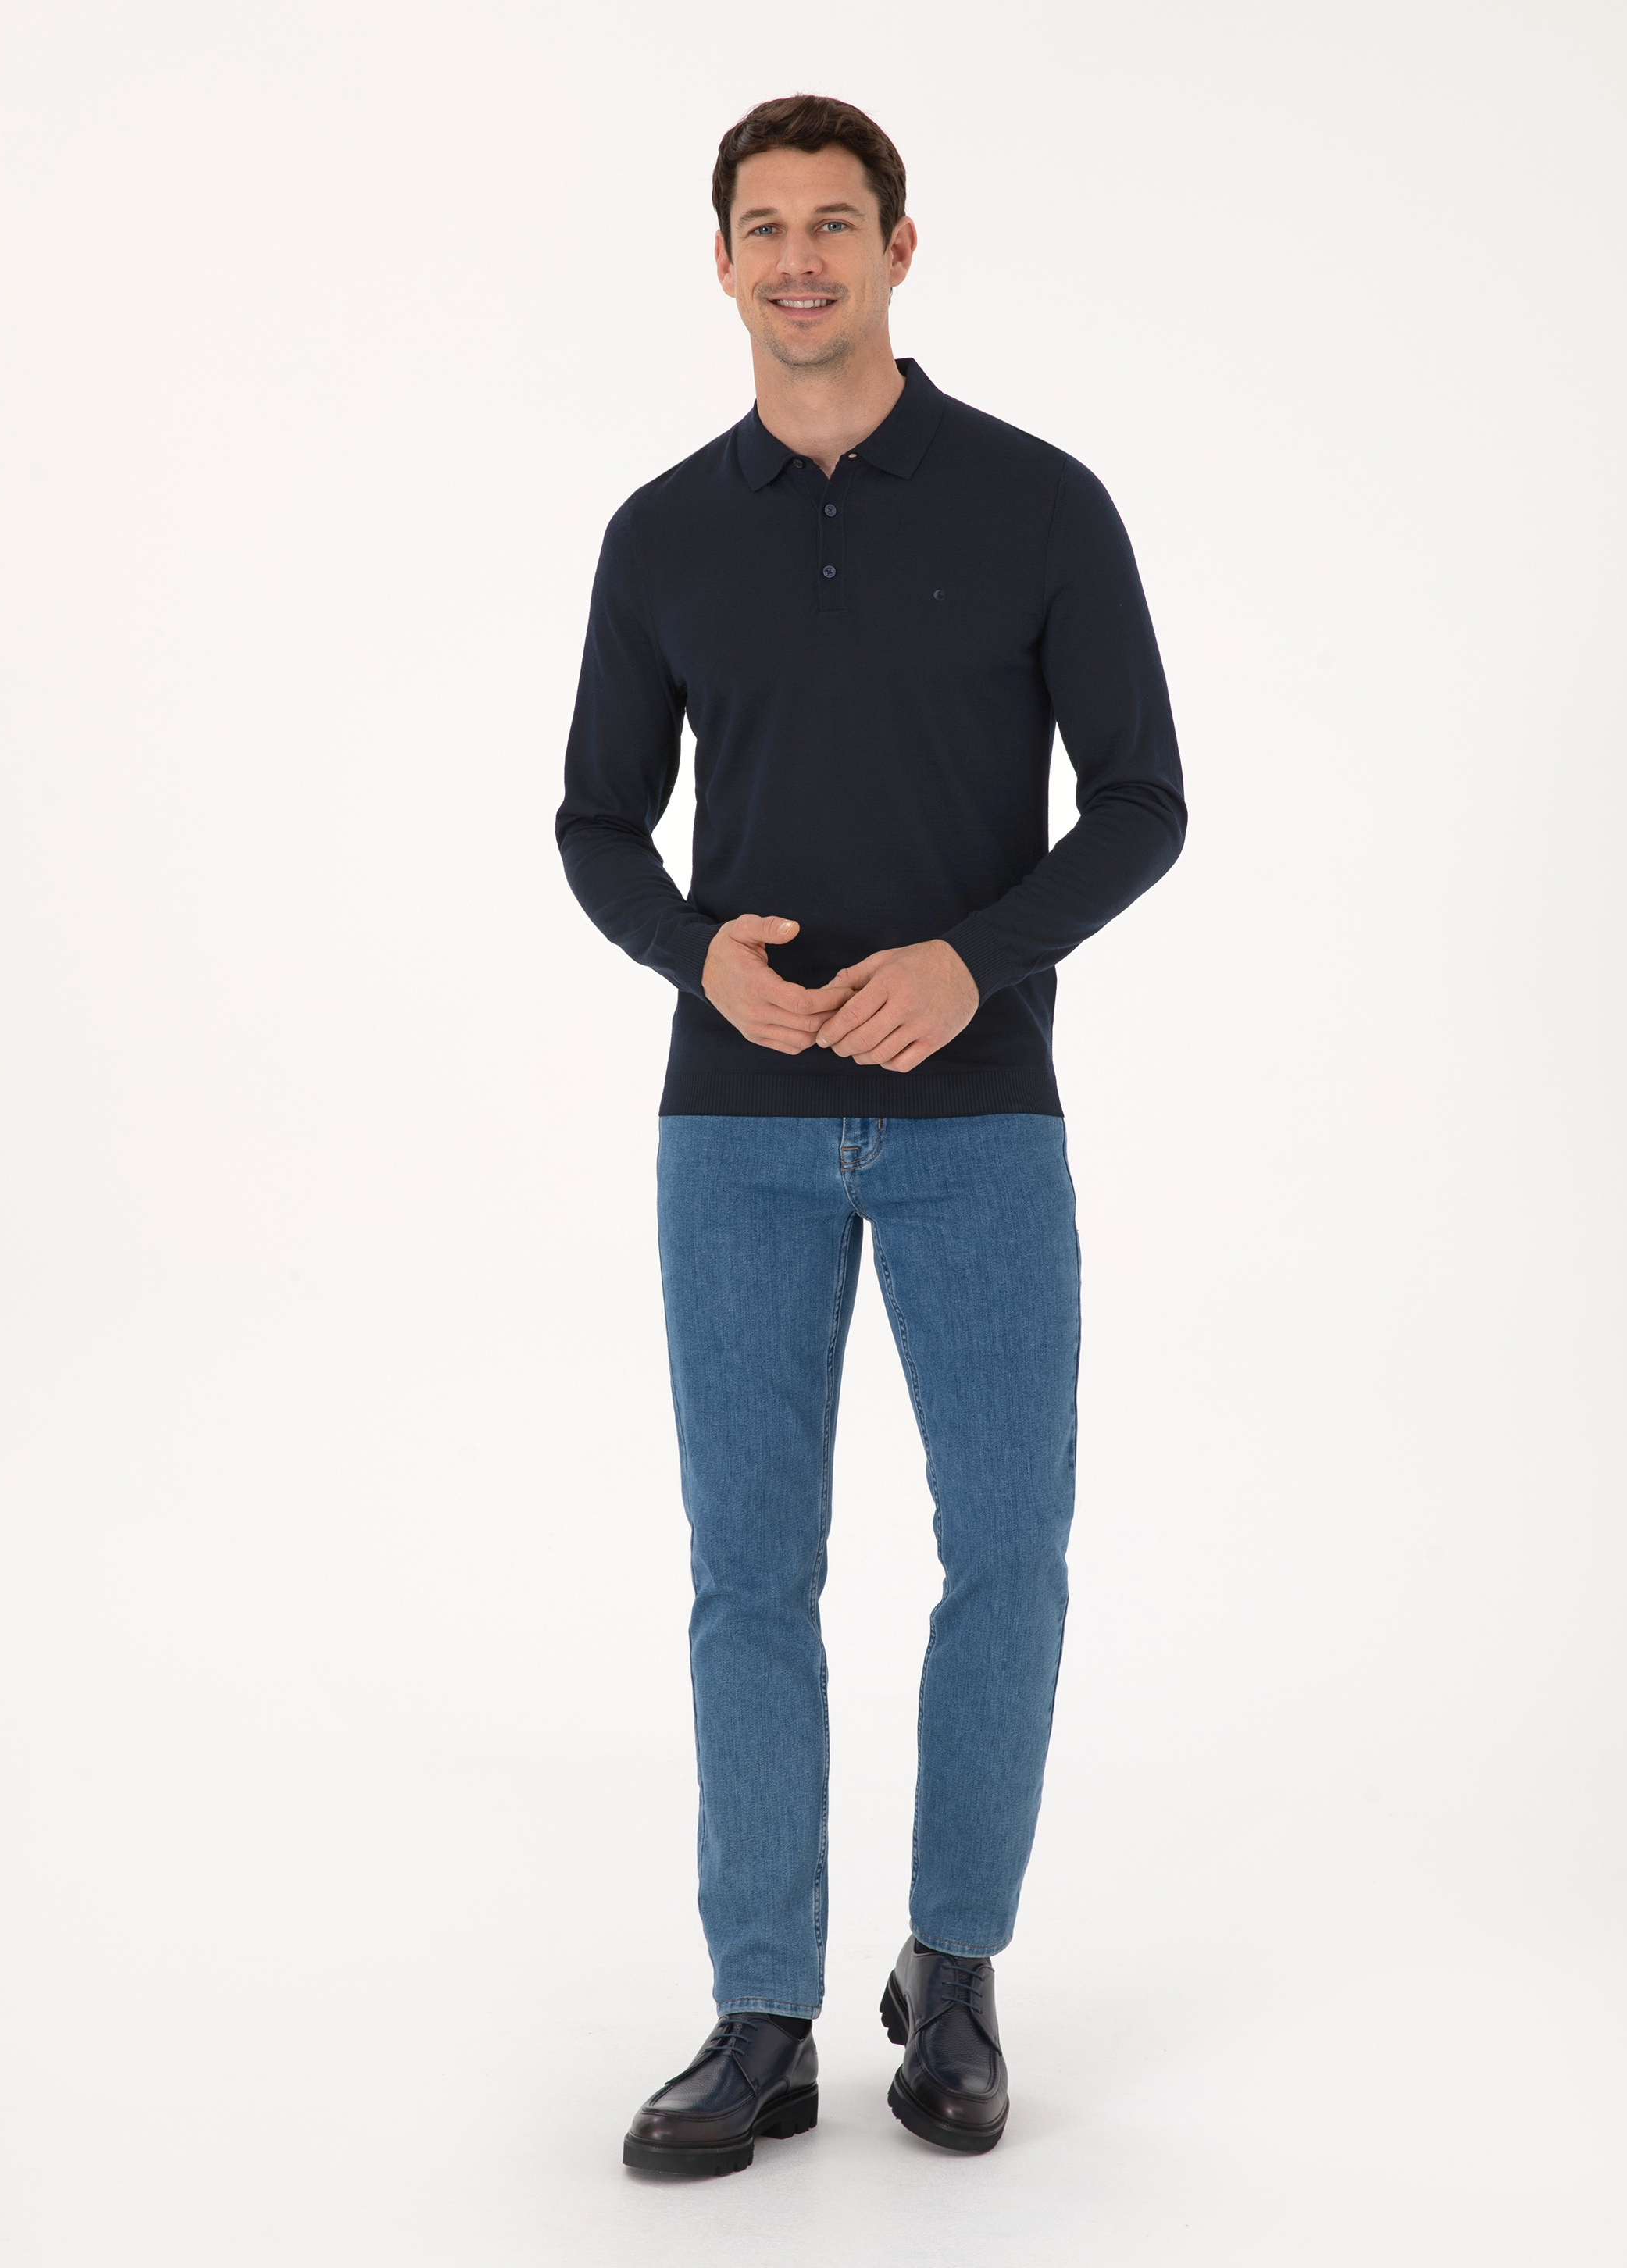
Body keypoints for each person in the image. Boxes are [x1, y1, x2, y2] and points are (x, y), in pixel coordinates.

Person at [556, 92, 1186, 2176]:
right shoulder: (661, 533)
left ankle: (957, 1970)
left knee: (1005, 1557)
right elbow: (595, 821)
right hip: (733, 1130)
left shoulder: (1038, 504)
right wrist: (696, 961)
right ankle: (762, 2016)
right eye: (766, 227)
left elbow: (1140, 802)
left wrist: (969, 962)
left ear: (901, 250)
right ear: (721, 263)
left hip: (976, 1121)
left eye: (837, 223)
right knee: (749, 1577)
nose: (800, 259)